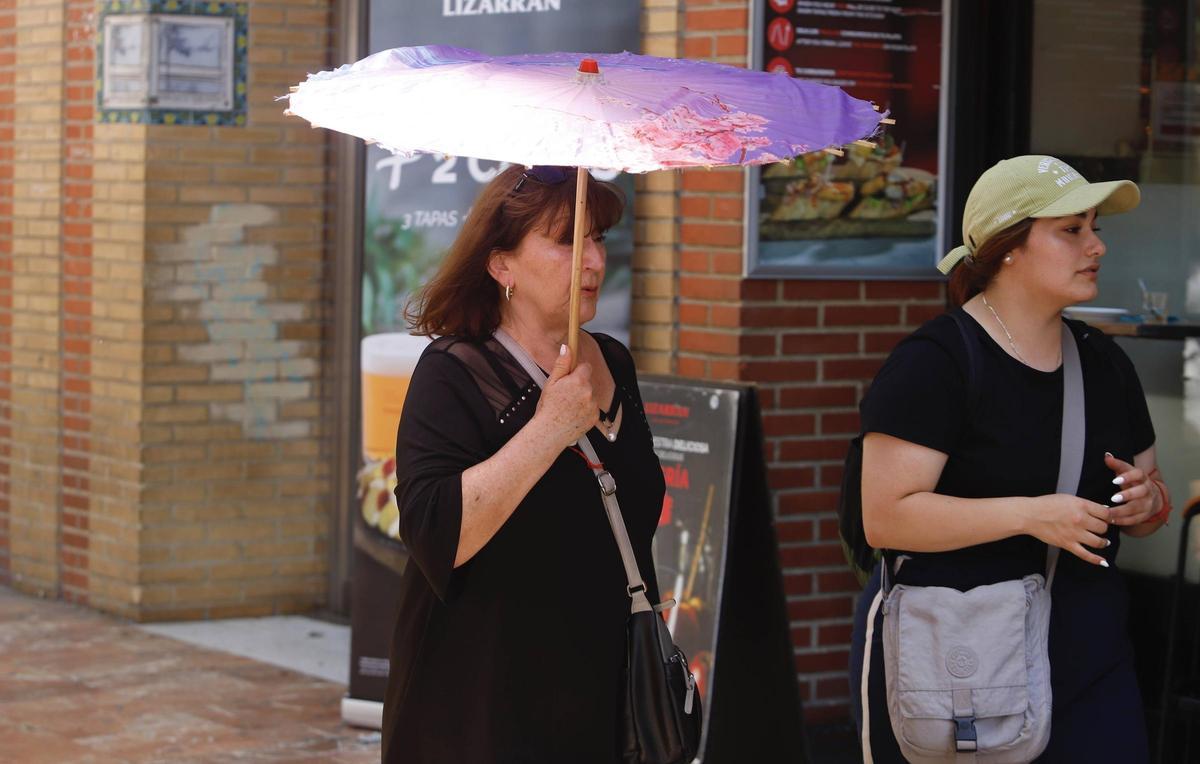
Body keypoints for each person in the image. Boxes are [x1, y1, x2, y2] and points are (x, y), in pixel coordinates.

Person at [849, 155, 1172, 762]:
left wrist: (1148, 502)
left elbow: (1152, 501)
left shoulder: (1105, 364)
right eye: (1071, 230)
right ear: (1008, 249)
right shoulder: (935, 362)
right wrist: (1029, 514)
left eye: (1096, 227)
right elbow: (885, 518)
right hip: (959, 660)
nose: (1097, 246)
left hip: (1089, 658)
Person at [381, 164, 665, 763]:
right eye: (568, 241)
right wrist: (548, 431)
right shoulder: (454, 370)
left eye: (599, 239)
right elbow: (435, 534)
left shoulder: (613, 360)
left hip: (598, 695)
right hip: (483, 706)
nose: (593, 262)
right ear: (501, 264)